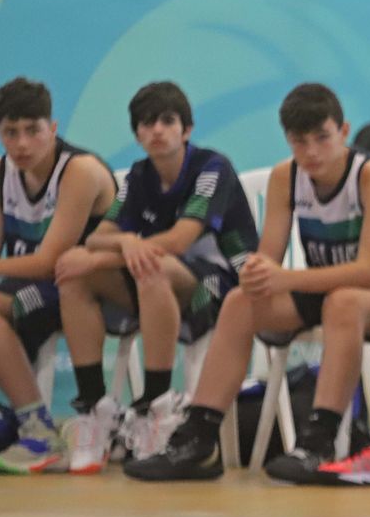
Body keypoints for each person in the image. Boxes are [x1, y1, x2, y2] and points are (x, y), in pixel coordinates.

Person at [125, 83, 370, 484]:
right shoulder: (287, 176)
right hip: (326, 288)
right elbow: (269, 258)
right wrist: (256, 272)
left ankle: (319, 439)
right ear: (287, 141)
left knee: (344, 301)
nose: (312, 152)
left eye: (322, 139)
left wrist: (284, 277)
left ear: (344, 131)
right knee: (238, 302)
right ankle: (199, 436)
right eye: (300, 142)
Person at [54, 82, 258, 472]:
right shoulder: (138, 174)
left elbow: (181, 240)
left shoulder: (212, 167)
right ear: (137, 134)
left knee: (147, 266)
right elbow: (99, 237)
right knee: (73, 276)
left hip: (223, 287)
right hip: (160, 284)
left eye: (167, 121)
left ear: (187, 129)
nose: (157, 130)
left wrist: (112, 253)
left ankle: (157, 406)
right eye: (147, 123)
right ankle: (95, 409)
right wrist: (126, 241)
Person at [0, 78, 116, 474]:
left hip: (82, 292)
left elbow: (47, 263)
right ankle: (27, 424)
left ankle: (38, 428)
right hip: (26, 287)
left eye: (32, 131)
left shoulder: (81, 171)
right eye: (11, 132)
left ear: (52, 129)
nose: (22, 144)